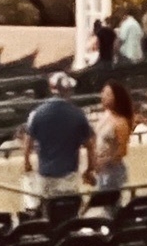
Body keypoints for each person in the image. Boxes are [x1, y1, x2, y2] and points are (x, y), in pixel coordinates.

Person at [21, 72, 93, 224]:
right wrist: (89, 169)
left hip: (46, 174)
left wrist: (26, 163)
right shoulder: (78, 114)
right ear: (68, 91)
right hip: (69, 174)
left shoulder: (37, 113)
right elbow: (89, 145)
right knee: (70, 214)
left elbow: (28, 142)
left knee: (49, 214)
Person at [92, 80, 133, 201]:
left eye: (107, 94)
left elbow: (122, 151)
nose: (103, 96)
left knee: (113, 202)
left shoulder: (120, 122)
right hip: (102, 170)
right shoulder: (104, 117)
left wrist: (105, 161)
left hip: (113, 171)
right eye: (102, 93)